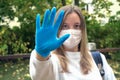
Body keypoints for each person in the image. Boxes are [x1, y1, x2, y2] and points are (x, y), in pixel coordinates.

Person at [29, 5, 116, 80]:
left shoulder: (98, 59)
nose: (71, 31)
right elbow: (40, 76)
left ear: (82, 29)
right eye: (65, 26)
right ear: (56, 29)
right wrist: (41, 55)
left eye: (76, 26)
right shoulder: (50, 61)